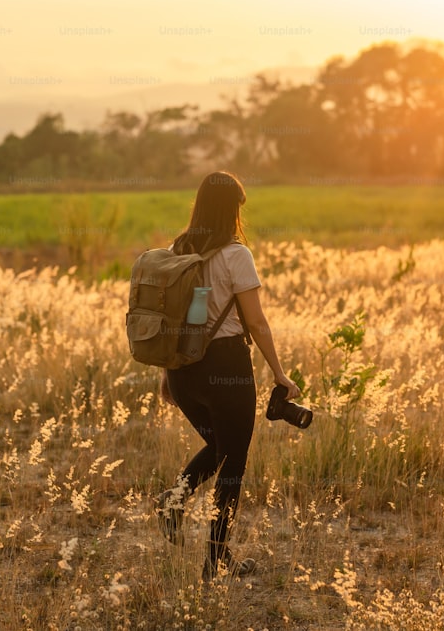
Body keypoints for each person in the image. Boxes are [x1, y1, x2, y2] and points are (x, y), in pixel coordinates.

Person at [156, 170, 300, 581]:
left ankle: (174, 502)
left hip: (185, 370)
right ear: (231, 208)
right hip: (225, 367)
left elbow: (177, 318)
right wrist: (279, 372)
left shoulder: (178, 248)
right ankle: (215, 559)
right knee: (233, 462)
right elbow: (255, 322)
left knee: (219, 446)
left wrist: (168, 374)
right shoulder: (236, 255)